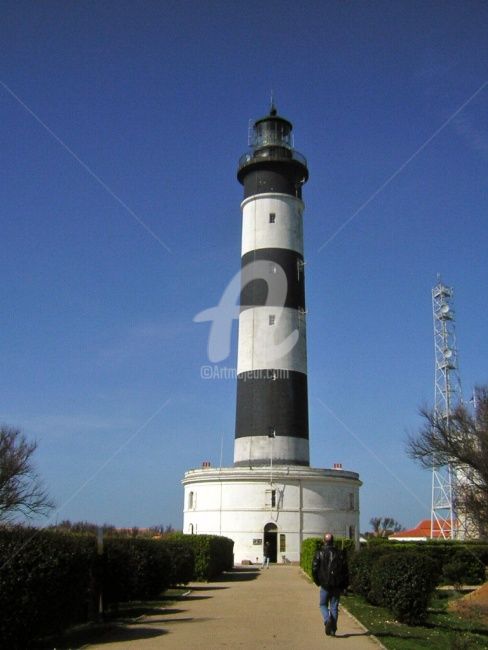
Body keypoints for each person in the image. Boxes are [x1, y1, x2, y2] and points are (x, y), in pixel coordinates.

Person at [312, 532, 349, 636]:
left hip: (324, 585)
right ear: (333, 541)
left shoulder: (319, 552)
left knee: (322, 604)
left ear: (324, 541)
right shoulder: (340, 553)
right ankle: (333, 630)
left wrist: (317, 581)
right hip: (336, 585)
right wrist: (344, 586)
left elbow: (314, 568)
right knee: (334, 606)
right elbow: (345, 570)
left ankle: (327, 620)